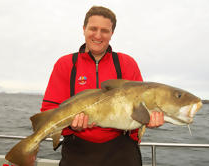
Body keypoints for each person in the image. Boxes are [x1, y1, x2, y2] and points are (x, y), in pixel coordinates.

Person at [40, 6, 164, 166]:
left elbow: (141, 108)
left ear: (112, 33)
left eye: (105, 30)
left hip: (122, 151)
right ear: (84, 29)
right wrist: (70, 126)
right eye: (93, 28)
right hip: (77, 151)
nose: (98, 35)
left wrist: (150, 119)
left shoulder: (127, 64)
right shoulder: (65, 64)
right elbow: (49, 110)